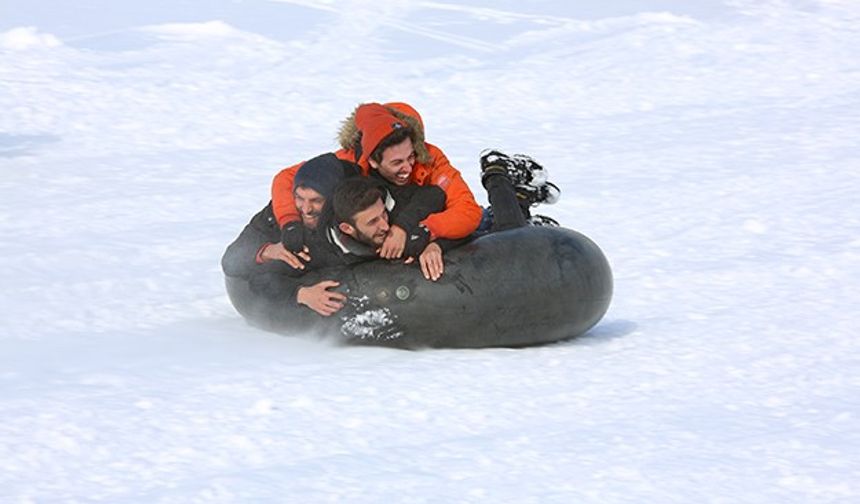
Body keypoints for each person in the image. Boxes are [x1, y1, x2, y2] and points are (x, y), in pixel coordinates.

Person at [269, 102, 483, 265]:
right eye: (397, 162)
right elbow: (287, 178)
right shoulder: (350, 159)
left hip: (423, 219)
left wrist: (424, 232)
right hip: (372, 236)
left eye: (411, 157)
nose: (408, 168)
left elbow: (467, 211)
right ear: (374, 158)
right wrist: (289, 222)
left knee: (485, 222)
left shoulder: (432, 160)